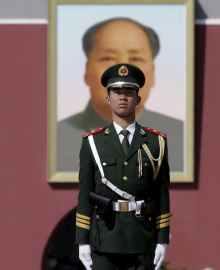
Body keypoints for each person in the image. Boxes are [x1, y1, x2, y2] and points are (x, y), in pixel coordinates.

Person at [56, 17, 183, 173]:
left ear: (153, 73)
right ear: (87, 71)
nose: (123, 72)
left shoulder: (179, 138)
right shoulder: (57, 138)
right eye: (108, 58)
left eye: (136, 58)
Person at [76, 63, 170, 270]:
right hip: (104, 239)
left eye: (129, 92)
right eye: (117, 92)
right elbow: (85, 194)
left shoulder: (156, 142)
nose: (123, 97)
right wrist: (82, 240)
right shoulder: (93, 142)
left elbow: (162, 194)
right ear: (108, 99)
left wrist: (162, 238)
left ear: (138, 99)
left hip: (142, 238)